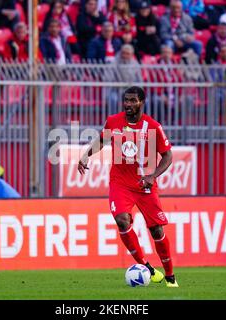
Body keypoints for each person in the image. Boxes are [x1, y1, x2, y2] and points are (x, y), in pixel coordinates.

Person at [78, 86, 179, 288]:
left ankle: (170, 276)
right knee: (122, 221)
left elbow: (168, 156)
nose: (128, 104)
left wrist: (153, 175)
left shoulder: (153, 127)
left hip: (144, 185)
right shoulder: (114, 121)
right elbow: (101, 141)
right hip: (120, 183)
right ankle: (147, 268)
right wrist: (85, 155)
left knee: (156, 230)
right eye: (126, 100)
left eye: (133, 101)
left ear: (142, 102)